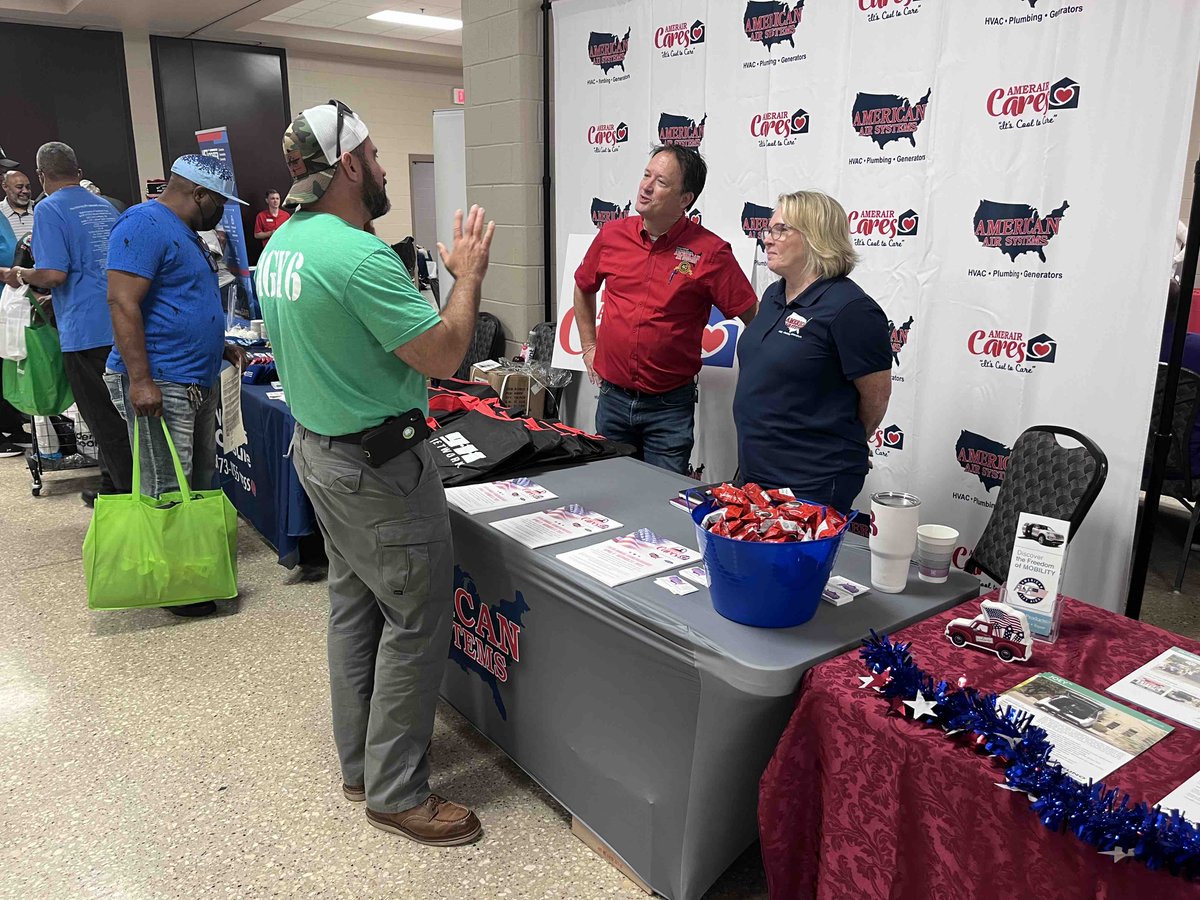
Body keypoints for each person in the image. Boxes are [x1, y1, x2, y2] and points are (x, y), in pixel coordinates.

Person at [258, 101, 493, 846]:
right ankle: (396, 792)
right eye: (378, 153)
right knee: (417, 620)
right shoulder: (358, 257)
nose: (387, 167)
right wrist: (468, 277)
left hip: (322, 455)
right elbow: (446, 353)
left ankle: (361, 762)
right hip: (379, 468)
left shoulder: (283, 247)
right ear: (349, 164)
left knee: (355, 607)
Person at [104, 154, 248, 617]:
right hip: (161, 379)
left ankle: (194, 567)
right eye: (220, 202)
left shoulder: (185, 233)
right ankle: (177, 586)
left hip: (194, 375)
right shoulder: (144, 223)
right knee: (168, 481)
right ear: (199, 194)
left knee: (197, 479)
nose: (223, 211)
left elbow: (180, 298)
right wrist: (142, 381)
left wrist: (217, 343)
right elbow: (122, 301)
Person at [573, 145, 757, 474]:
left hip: (668, 408)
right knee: (611, 492)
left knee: (661, 503)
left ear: (685, 199)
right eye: (646, 175)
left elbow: (754, 317)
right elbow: (583, 286)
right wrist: (589, 346)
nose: (646, 186)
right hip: (612, 398)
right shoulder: (613, 235)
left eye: (660, 181)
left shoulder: (712, 252)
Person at [732, 191, 892, 513]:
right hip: (755, 473)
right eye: (768, 229)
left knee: (797, 565)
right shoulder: (774, 294)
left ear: (815, 237)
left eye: (780, 230)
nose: (767, 240)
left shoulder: (851, 310)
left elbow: (875, 400)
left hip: (812, 481)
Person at [0, 143, 132, 503]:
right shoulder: (104, 205)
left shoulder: (48, 209)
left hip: (83, 330)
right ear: (77, 169)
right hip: (120, 322)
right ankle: (111, 484)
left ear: (42, 175)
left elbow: (55, 274)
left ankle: (122, 498)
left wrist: (22, 274)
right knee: (121, 414)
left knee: (102, 419)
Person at [1, 170, 33, 243]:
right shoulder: (0, 212)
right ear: (5, 186)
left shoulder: (40, 209)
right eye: (19, 187)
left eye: (28, 187)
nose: (25, 191)